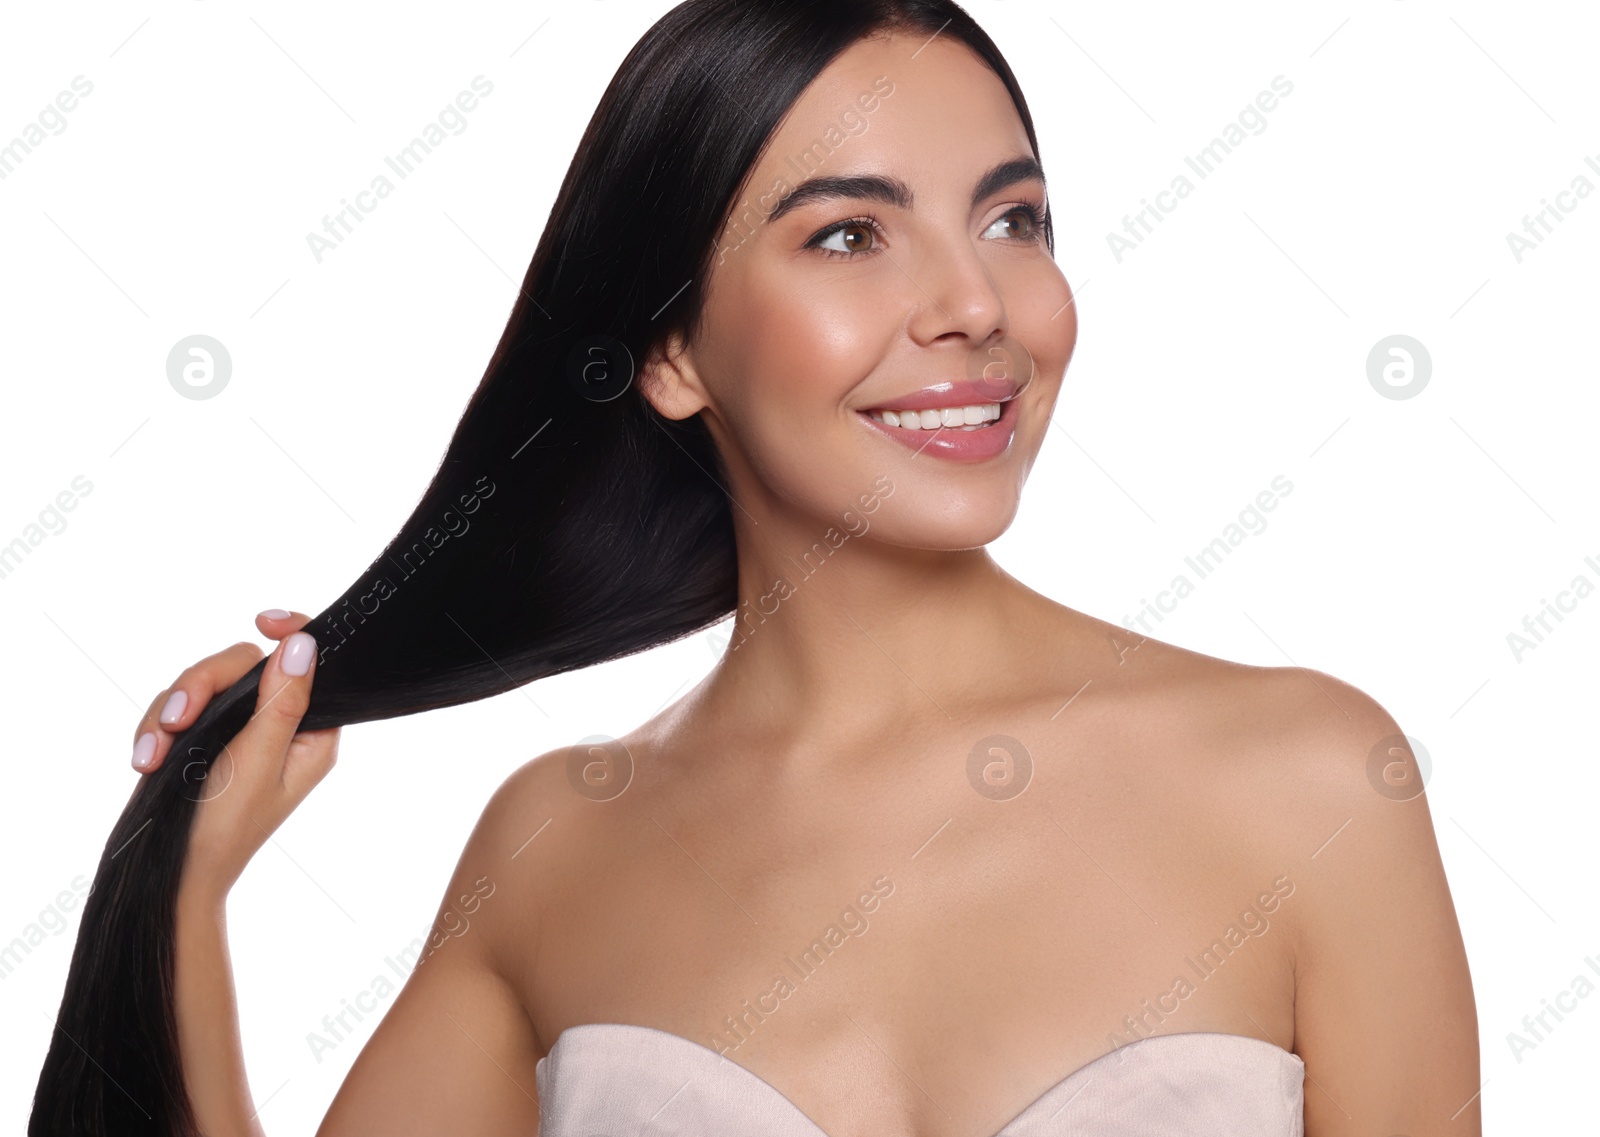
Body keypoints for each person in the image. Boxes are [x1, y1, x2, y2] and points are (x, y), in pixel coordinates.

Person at [100, 3, 1479, 1135]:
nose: (976, 305)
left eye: (1014, 220)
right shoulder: (558, 846)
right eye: (848, 235)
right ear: (672, 352)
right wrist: (187, 901)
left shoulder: (1312, 780)